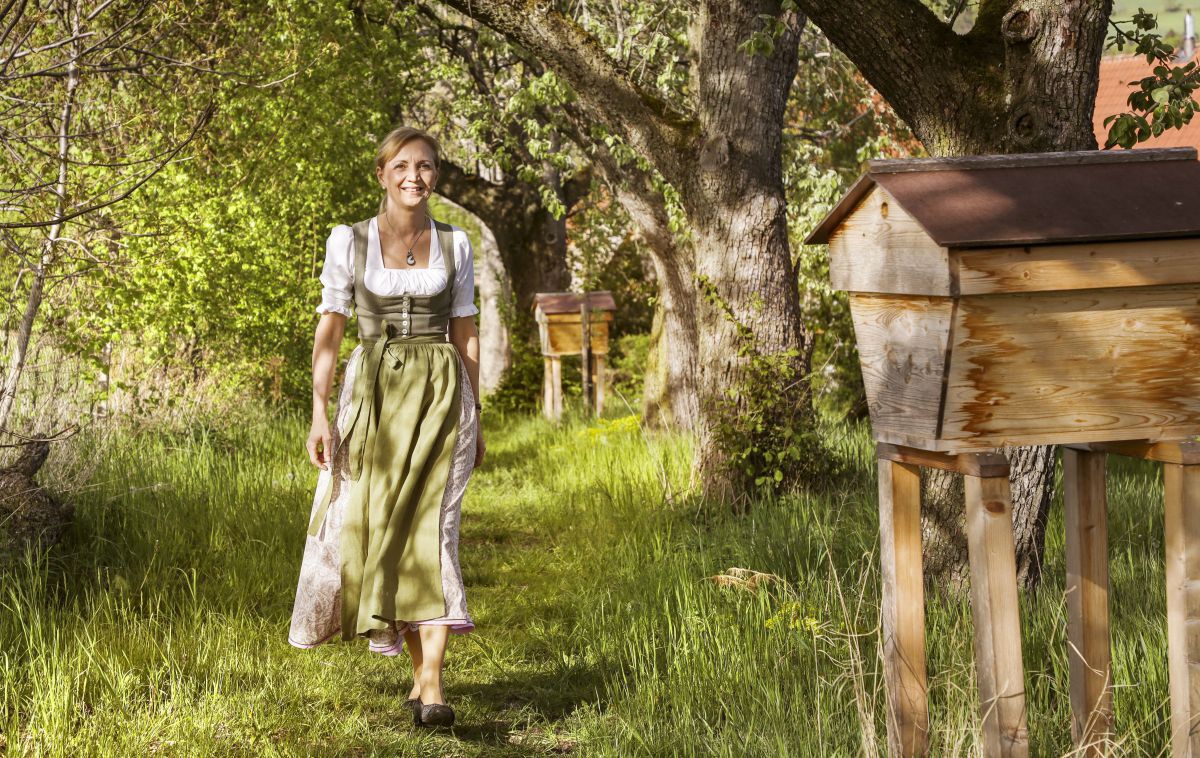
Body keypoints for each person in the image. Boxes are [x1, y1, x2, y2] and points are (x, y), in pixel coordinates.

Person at [287, 126, 484, 729]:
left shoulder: (457, 243)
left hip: (441, 396)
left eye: (425, 167)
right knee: (377, 526)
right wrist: (320, 411)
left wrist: (476, 413)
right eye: (402, 166)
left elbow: (466, 331)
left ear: (435, 176)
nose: (414, 177)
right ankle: (415, 666)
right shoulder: (348, 241)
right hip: (371, 396)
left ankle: (431, 682)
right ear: (382, 173)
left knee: (435, 528)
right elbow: (330, 329)